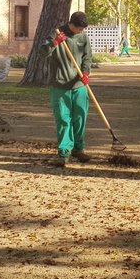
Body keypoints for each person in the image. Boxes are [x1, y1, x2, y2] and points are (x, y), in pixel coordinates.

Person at [41, 11, 94, 167]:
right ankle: (64, 152)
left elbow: (87, 57)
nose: (81, 32)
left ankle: (79, 149)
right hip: (60, 85)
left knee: (80, 118)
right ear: (71, 24)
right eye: (79, 29)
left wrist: (85, 73)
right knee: (64, 119)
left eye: (83, 29)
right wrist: (55, 43)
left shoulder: (83, 37)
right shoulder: (57, 33)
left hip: (79, 85)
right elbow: (42, 53)